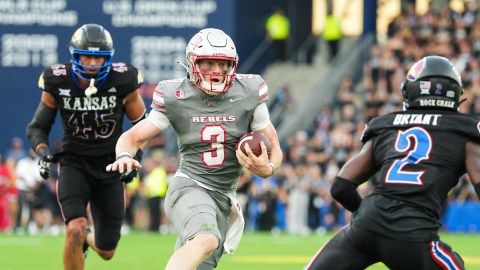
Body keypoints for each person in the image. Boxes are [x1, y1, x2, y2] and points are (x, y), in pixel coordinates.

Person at [106, 28, 283, 270]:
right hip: (190, 186)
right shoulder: (177, 95)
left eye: (223, 64)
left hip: (223, 198)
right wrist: (124, 155)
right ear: (192, 63)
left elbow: (274, 144)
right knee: (206, 239)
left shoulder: (248, 92)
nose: (217, 71)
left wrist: (269, 167)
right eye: (209, 63)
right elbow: (133, 137)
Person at [305, 56, 479, 269]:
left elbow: (341, 187)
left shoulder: (386, 124)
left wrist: (370, 218)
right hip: (413, 234)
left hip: (366, 227)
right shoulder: (466, 130)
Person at [26, 23, 147, 270]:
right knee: (74, 227)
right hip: (74, 164)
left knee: (106, 250)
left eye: (98, 57)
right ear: (75, 55)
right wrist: (43, 152)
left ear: (108, 59)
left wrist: (134, 157)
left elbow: (143, 126)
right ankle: (79, 235)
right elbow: (37, 127)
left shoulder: (124, 79)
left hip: (111, 166)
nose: (92, 63)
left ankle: (87, 239)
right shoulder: (57, 80)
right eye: (87, 56)